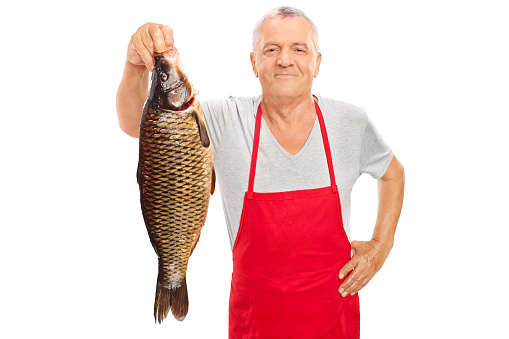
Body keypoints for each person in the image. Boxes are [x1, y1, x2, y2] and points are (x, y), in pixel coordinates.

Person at [117, 6, 405, 338]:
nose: (285, 59)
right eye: (271, 49)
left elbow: (393, 173)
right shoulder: (223, 119)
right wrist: (135, 66)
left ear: (318, 62)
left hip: (332, 321)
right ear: (253, 63)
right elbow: (133, 123)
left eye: (299, 49)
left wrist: (381, 247)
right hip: (254, 325)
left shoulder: (349, 122)